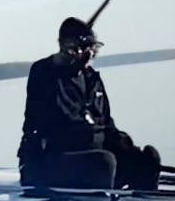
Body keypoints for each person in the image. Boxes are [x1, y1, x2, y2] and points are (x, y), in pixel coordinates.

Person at [17, 17, 162, 190]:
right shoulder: (44, 74)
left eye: (93, 48)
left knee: (147, 157)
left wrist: (126, 146)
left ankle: (144, 200)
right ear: (67, 47)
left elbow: (106, 125)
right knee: (103, 162)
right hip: (50, 161)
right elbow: (42, 117)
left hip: (91, 159)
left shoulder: (92, 80)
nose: (90, 54)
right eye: (83, 49)